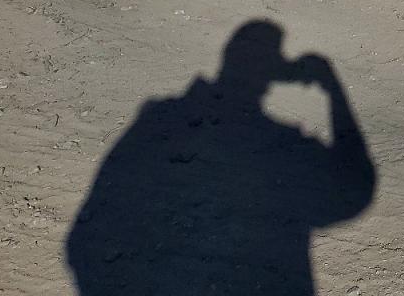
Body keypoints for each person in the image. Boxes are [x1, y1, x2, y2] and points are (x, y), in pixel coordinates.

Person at [66, 20, 376, 295]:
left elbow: (82, 243)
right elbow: (353, 193)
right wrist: (333, 89)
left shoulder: (161, 120)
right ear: (273, 75)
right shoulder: (285, 147)